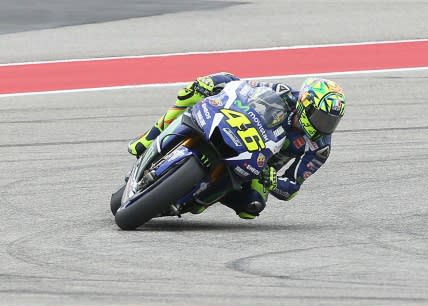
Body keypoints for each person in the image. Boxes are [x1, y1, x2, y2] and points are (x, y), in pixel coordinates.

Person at [128, 72, 346, 219]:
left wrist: (273, 181)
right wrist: (212, 82)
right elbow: (239, 86)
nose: (325, 126)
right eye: (321, 117)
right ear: (305, 104)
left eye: (331, 122)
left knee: (251, 208)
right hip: (238, 128)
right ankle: (147, 139)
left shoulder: (319, 148)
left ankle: (197, 197)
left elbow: (292, 187)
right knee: (196, 91)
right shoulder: (283, 93)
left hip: (258, 166)